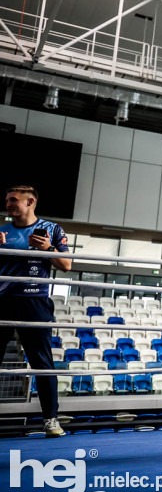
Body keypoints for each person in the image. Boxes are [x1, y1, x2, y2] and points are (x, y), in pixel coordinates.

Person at [1, 186, 72, 438]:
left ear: (30, 201)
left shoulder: (52, 229)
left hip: (35, 302)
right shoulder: (2, 230)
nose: (8, 204)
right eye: (7, 200)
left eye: (13, 200)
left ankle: (51, 420)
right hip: (3, 300)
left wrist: (47, 249)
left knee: (43, 364)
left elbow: (66, 265)